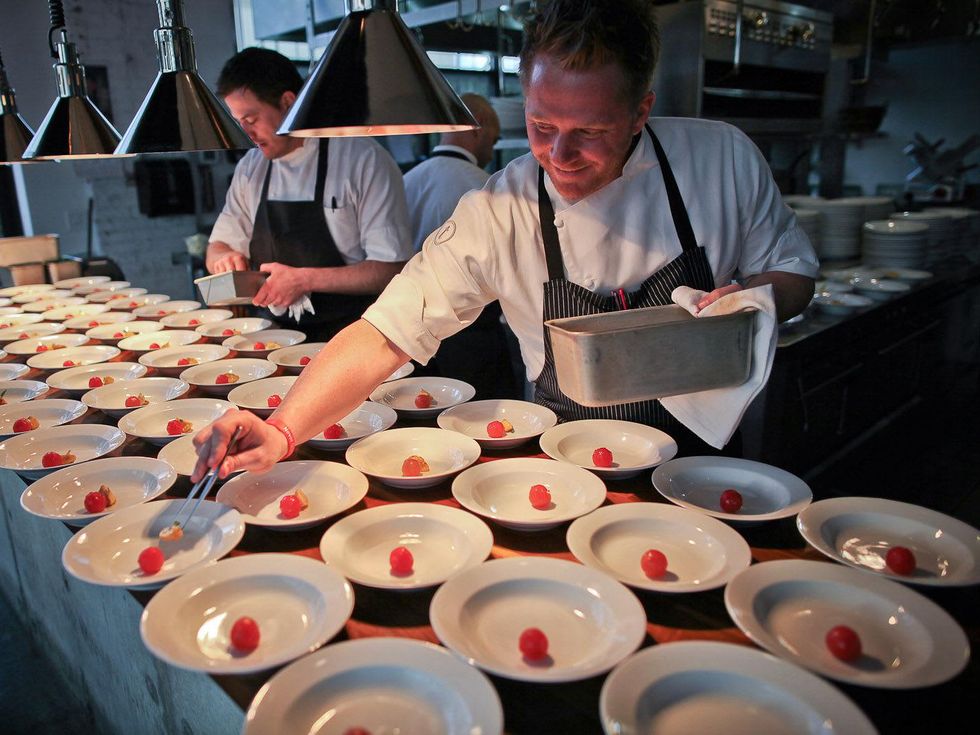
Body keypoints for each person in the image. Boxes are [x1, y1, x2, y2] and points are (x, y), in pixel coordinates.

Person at [193, 0, 817, 480]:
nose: (560, 155)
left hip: (705, 462)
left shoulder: (721, 159)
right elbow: (386, 332)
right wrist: (283, 430)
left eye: (590, 131)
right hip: (569, 466)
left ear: (640, 111)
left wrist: (749, 300)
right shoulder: (500, 207)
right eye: (541, 125)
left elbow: (794, 274)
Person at [206, 48, 413, 342]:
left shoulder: (363, 160)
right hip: (275, 338)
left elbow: (390, 269)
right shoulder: (251, 168)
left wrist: (304, 280)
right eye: (238, 122)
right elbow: (217, 247)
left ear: (288, 102)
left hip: (354, 336)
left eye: (251, 119)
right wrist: (223, 259)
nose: (246, 133)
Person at [402, 93, 519, 400]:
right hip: (473, 334)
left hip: (412, 330)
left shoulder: (408, 180)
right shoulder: (486, 186)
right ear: (479, 129)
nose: (491, 152)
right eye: (493, 140)